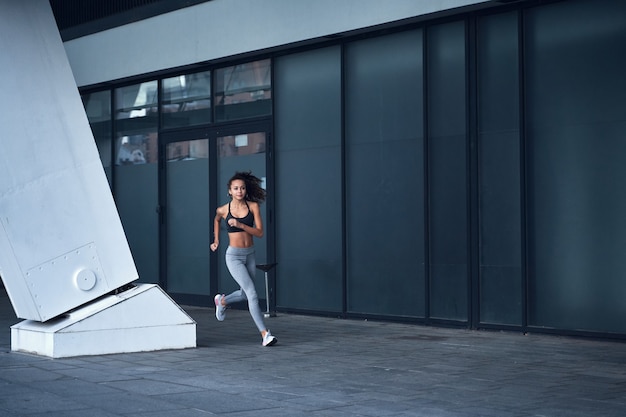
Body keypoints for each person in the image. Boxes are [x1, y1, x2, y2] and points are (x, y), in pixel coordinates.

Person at [210, 171, 277, 347]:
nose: (239, 191)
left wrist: (240, 225)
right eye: (236, 188)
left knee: (244, 293)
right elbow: (216, 220)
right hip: (233, 257)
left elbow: (260, 233)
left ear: (245, 190)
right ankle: (265, 334)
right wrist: (216, 240)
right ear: (230, 191)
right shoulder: (223, 210)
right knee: (252, 294)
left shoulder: (253, 206)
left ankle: (222, 301)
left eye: (242, 188)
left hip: (250, 254)